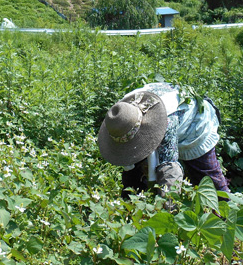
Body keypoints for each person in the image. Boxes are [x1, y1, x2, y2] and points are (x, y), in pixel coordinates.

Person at [97, 82, 230, 199]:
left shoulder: (166, 122)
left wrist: (165, 209)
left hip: (194, 124)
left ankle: (226, 216)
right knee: (138, 171)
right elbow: (129, 166)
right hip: (164, 110)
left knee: (208, 181)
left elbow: (170, 170)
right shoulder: (121, 115)